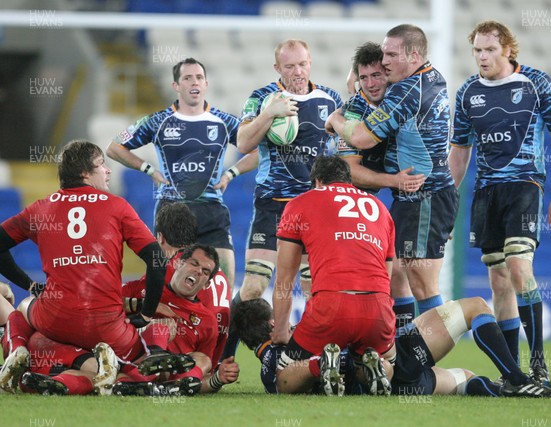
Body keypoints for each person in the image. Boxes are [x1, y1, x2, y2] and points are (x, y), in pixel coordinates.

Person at [0, 140, 193, 394]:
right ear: (85, 173)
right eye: (102, 165)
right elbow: (156, 259)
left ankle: (21, 351)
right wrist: (145, 313)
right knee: (137, 357)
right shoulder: (117, 206)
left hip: (57, 319)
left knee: (26, 314)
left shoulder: (41, 208)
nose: (108, 170)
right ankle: (120, 376)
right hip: (108, 325)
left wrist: (29, 284)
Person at [448, 20, 551, 390]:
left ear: (508, 51)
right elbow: (460, 151)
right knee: (499, 281)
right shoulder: (468, 91)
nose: (482, 57)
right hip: (487, 193)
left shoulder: (536, 83)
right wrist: (449, 199)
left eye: (490, 50)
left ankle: (539, 369)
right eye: (477, 50)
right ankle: (513, 375)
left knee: (519, 268)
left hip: (524, 186)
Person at [221, 39, 343, 359]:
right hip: (273, 206)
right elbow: (245, 143)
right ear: (278, 68)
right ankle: (223, 356)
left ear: (311, 62)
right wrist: (269, 114)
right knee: (252, 288)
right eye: (289, 66)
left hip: (314, 210)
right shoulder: (262, 98)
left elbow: (340, 152)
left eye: (302, 64)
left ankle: (309, 359)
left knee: (314, 289)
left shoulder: (330, 99)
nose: (297, 72)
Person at [326, 25, 458, 317]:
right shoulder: (430, 75)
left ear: (413, 55)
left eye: (390, 55)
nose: (384, 62)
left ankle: (428, 354)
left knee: (422, 286)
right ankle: (407, 348)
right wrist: (357, 84)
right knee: (398, 274)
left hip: (425, 195)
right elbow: (360, 84)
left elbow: (360, 138)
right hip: (417, 197)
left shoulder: (404, 92)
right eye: (367, 76)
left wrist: (336, 119)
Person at [233, 297, 551, 398]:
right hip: (390, 354)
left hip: (395, 381)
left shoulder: (271, 362)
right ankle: (515, 379)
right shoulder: (289, 343)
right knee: (476, 307)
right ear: (267, 325)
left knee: (461, 378)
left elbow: (282, 384)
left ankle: (473, 385)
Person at [106, 58, 240, 285]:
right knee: (169, 282)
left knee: (223, 280)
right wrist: (148, 169)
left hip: (212, 211)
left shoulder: (223, 121)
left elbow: (259, 148)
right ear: (176, 86)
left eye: (198, 77)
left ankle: (219, 321)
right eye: (187, 78)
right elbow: (114, 147)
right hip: (172, 211)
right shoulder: (159, 121)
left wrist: (232, 173)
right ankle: (162, 320)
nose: (194, 82)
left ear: (206, 83)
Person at [271, 154, 396, 396]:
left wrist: (281, 330)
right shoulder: (381, 209)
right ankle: (376, 366)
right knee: (389, 362)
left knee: (283, 379)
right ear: (349, 180)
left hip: (332, 306)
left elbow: (284, 279)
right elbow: (386, 279)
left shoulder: (300, 203)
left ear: (317, 182)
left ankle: (320, 365)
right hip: (378, 307)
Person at [336, 41, 427, 333]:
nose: (372, 83)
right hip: (350, 199)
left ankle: (404, 345)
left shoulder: (400, 99)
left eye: (377, 75)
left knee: (398, 270)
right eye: (364, 78)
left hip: (379, 199)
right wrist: (394, 181)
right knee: (353, 275)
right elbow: (350, 171)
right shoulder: (352, 112)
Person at [116, 243, 239, 396]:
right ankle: (150, 363)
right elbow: (103, 303)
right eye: (194, 263)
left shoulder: (207, 321)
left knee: (204, 360)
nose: (198, 271)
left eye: (205, 271)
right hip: (133, 358)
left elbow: (200, 379)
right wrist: (144, 306)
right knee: (163, 327)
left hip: (170, 375)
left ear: (207, 283)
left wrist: (218, 379)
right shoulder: (148, 287)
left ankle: (166, 388)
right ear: (178, 263)